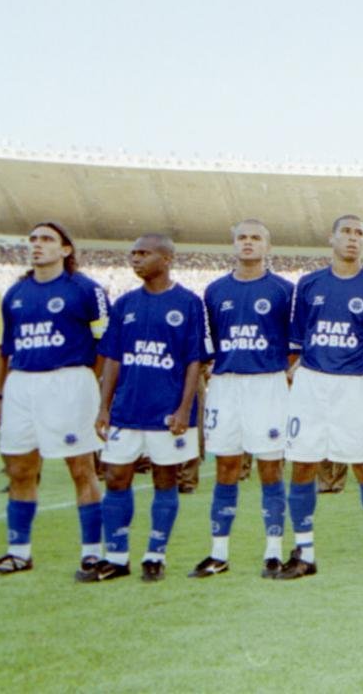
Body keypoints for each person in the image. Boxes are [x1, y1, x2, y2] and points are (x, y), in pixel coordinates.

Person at [279, 215, 363, 580]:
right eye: (346, 232)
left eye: (359, 233)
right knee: (303, 464)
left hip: (355, 387)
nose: (352, 239)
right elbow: (296, 341)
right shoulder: (309, 284)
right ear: (331, 238)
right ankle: (304, 552)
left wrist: (357, 366)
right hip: (312, 384)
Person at [95, 234, 213, 582]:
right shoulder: (125, 303)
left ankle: (154, 555)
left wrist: (183, 409)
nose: (135, 260)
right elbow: (112, 359)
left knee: (165, 480)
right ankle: (116, 557)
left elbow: (194, 361)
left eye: (143, 254)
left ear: (166, 258)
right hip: (126, 410)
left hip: (168, 413)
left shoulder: (189, 303)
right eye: (132, 254)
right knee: (116, 477)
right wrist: (103, 407)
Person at [0, 223, 109, 579]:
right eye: (32, 240)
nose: (37, 245)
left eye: (46, 239)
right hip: (22, 384)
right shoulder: (15, 293)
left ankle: (92, 552)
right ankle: (18, 552)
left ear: (65, 250)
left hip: (69, 380)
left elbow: (104, 342)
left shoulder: (86, 289)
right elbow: (5, 350)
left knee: (81, 468)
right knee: (19, 468)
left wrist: (88, 381)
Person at [190, 220, 294, 579]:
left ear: (268, 247)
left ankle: (274, 551)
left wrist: (284, 374)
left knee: (270, 468)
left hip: (267, 384)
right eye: (242, 238)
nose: (248, 243)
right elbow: (210, 344)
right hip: (226, 385)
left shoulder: (284, 290)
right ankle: (219, 552)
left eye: (256, 238)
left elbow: (294, 345)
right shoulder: (215, 291)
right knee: (226, 468)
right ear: (232, 244)